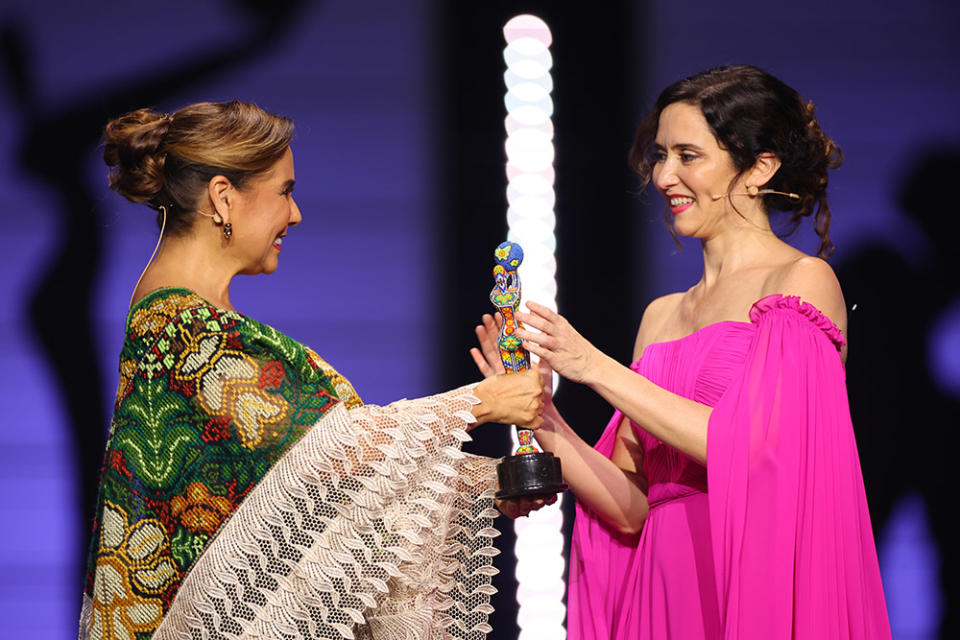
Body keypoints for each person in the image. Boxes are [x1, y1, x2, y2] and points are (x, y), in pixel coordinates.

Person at [79, 100, 544, 640]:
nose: (295, 214)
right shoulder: (181, 326)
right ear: (223, 196)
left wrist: (481, 486)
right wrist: (481, 403)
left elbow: (297, 499)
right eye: (285, 191)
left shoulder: (196, 320)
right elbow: (330, 453)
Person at [473, 65, 891, 638]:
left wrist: (594, 367)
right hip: (662, 593)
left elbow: (755, 448)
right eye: (661, 155)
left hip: (749, 580)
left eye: (688, 155)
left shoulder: (801, 282)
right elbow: (634, 507)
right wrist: (543, 417)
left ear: (759, 167)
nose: (665, 174)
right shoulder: (661, 316)